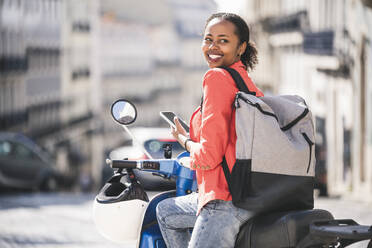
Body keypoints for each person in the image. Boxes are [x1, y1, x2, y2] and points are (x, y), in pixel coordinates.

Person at [156, 12, 264, 248]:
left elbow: (209, 156)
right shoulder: (246, 83)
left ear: (241, 47)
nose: (213, 47)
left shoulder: (216, 78)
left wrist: (184, 141)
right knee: (165, 211)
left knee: (162, 211)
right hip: (252, 198)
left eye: (223, 41)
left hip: (222, 202)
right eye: (208, 39)